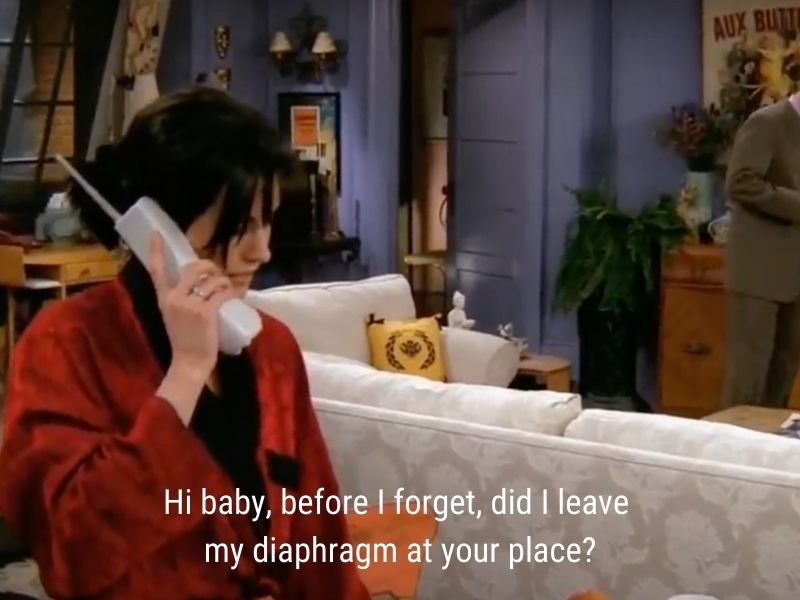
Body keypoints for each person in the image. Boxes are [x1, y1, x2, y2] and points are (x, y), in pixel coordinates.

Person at [0, 87, 370, 600]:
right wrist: (186, 375)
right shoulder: (65, 344)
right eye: (239, 227)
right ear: (157, 229)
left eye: (266, 221)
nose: (262, 251)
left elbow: (321, 544)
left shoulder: (271, 349)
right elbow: (75, 555)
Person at [723, 92, 800, 408]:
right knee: (749, 379)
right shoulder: (767, 122)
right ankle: (734, 439)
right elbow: (741, 182)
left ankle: (767, 440)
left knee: (782, 376)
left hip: (794, 277)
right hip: (759, 272)